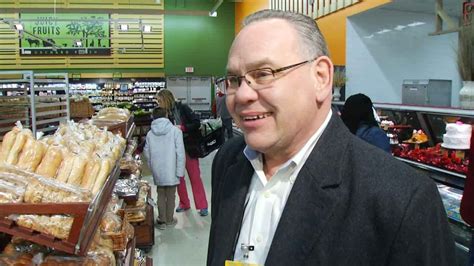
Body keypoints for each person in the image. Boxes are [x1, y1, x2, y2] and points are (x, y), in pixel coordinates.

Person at [207, 9, 455, 266]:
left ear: (321, 77)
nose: (243, 95)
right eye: (235, 80)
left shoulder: (402, 200)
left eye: (263, 74)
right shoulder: (228, 161)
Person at [156, 89, 209, 217]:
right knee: (179, 178)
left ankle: (202, 206)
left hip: (188, 147)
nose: (158, 103)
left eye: (159, 100)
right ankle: (184, 203)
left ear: (166, 99)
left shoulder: (182, 108)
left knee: (195, 176)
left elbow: (196, 123)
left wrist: (182, 128)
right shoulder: (162, 114)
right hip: (172, 149)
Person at [143, 107, 185, 230]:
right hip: (172, 168)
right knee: (171, 195)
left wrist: (152, 166)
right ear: (166, 115)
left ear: (153, 117)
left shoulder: (150, 133)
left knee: (160, 193)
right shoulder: (175, 131)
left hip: (158, 169)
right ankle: (170, 219)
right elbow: (180, 153)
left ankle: (162, 220)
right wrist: (180, 171)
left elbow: (147, 152)